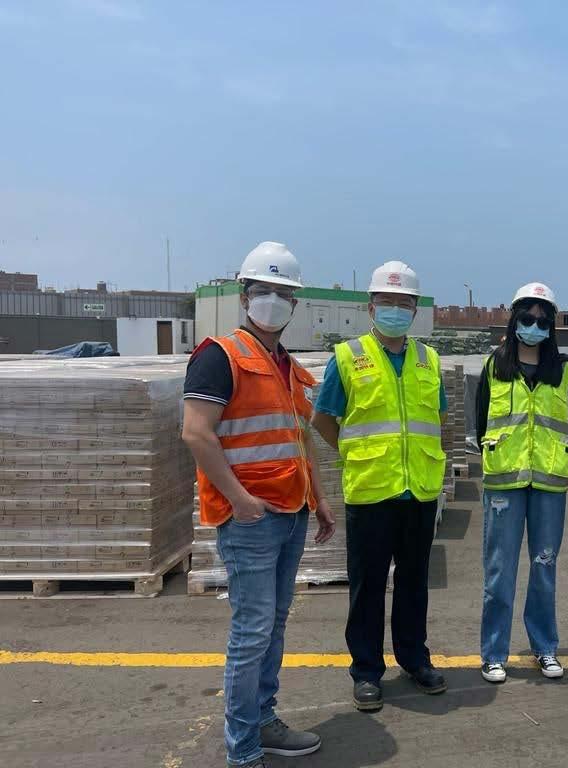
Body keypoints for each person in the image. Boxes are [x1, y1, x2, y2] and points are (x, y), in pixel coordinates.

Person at [182, 242, 336, 768]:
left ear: (295, 303)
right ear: (244, 296)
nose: (272, 300)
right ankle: (243, 749)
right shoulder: (219, 356)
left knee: (274, 624)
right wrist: (240, 498)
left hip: (291, 513)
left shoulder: (285, 364)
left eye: (282, 293)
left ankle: (264, 720)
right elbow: (196, 433)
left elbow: (299, 436)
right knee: (251, 632)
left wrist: (319, 499)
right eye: (262, 290)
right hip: (251, 519)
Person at [311, 261, 447, 713]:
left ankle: (414, 659)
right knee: (368, 586)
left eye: (403, 303)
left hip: (418, 491)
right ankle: (366, 671)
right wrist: (355, 452)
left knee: (414, 583)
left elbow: (437, 419)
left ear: (415, 310)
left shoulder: (428, 359)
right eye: (386, 302)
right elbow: (323, 419)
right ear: (370, 307)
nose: (395, 309)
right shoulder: (348, 357)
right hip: (371, 492)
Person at [476, 283, 568, 684]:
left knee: (544, 566)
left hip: (548, 483)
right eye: (527, 319)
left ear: (551, 328)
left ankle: (545, 647)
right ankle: (493, 653)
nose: (534, 326)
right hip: (504, 482)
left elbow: (566, 424)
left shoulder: (563, 372)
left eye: (542, 321)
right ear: (515, 320)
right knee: (499, 570)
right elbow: (481, 423)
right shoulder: (494, 366)